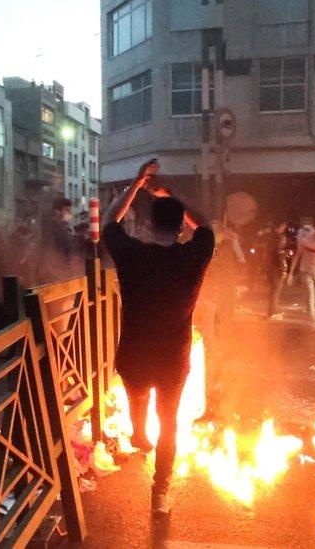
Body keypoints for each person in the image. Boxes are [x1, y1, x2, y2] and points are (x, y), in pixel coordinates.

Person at [101, 159, 214, 515]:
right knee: (169, 421)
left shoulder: (132, 254)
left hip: (134, 355)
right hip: (173, 358)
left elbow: (109, 222)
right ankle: (160, 494)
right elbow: (207, 224)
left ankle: (137, 432)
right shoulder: (194, 255)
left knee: (138, 403)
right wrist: (170, 193)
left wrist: (137, 185)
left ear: (148, 225)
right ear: (181, 226)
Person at [266, 222, 290, 320]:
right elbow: (279, 254)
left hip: (269, 267)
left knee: (274, 290)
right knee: (276, 290)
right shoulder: (279, 238)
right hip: (276, 268)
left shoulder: (270, 237)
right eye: (283, 226)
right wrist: (283, 269)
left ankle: (273, 310)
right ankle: (272, 312)